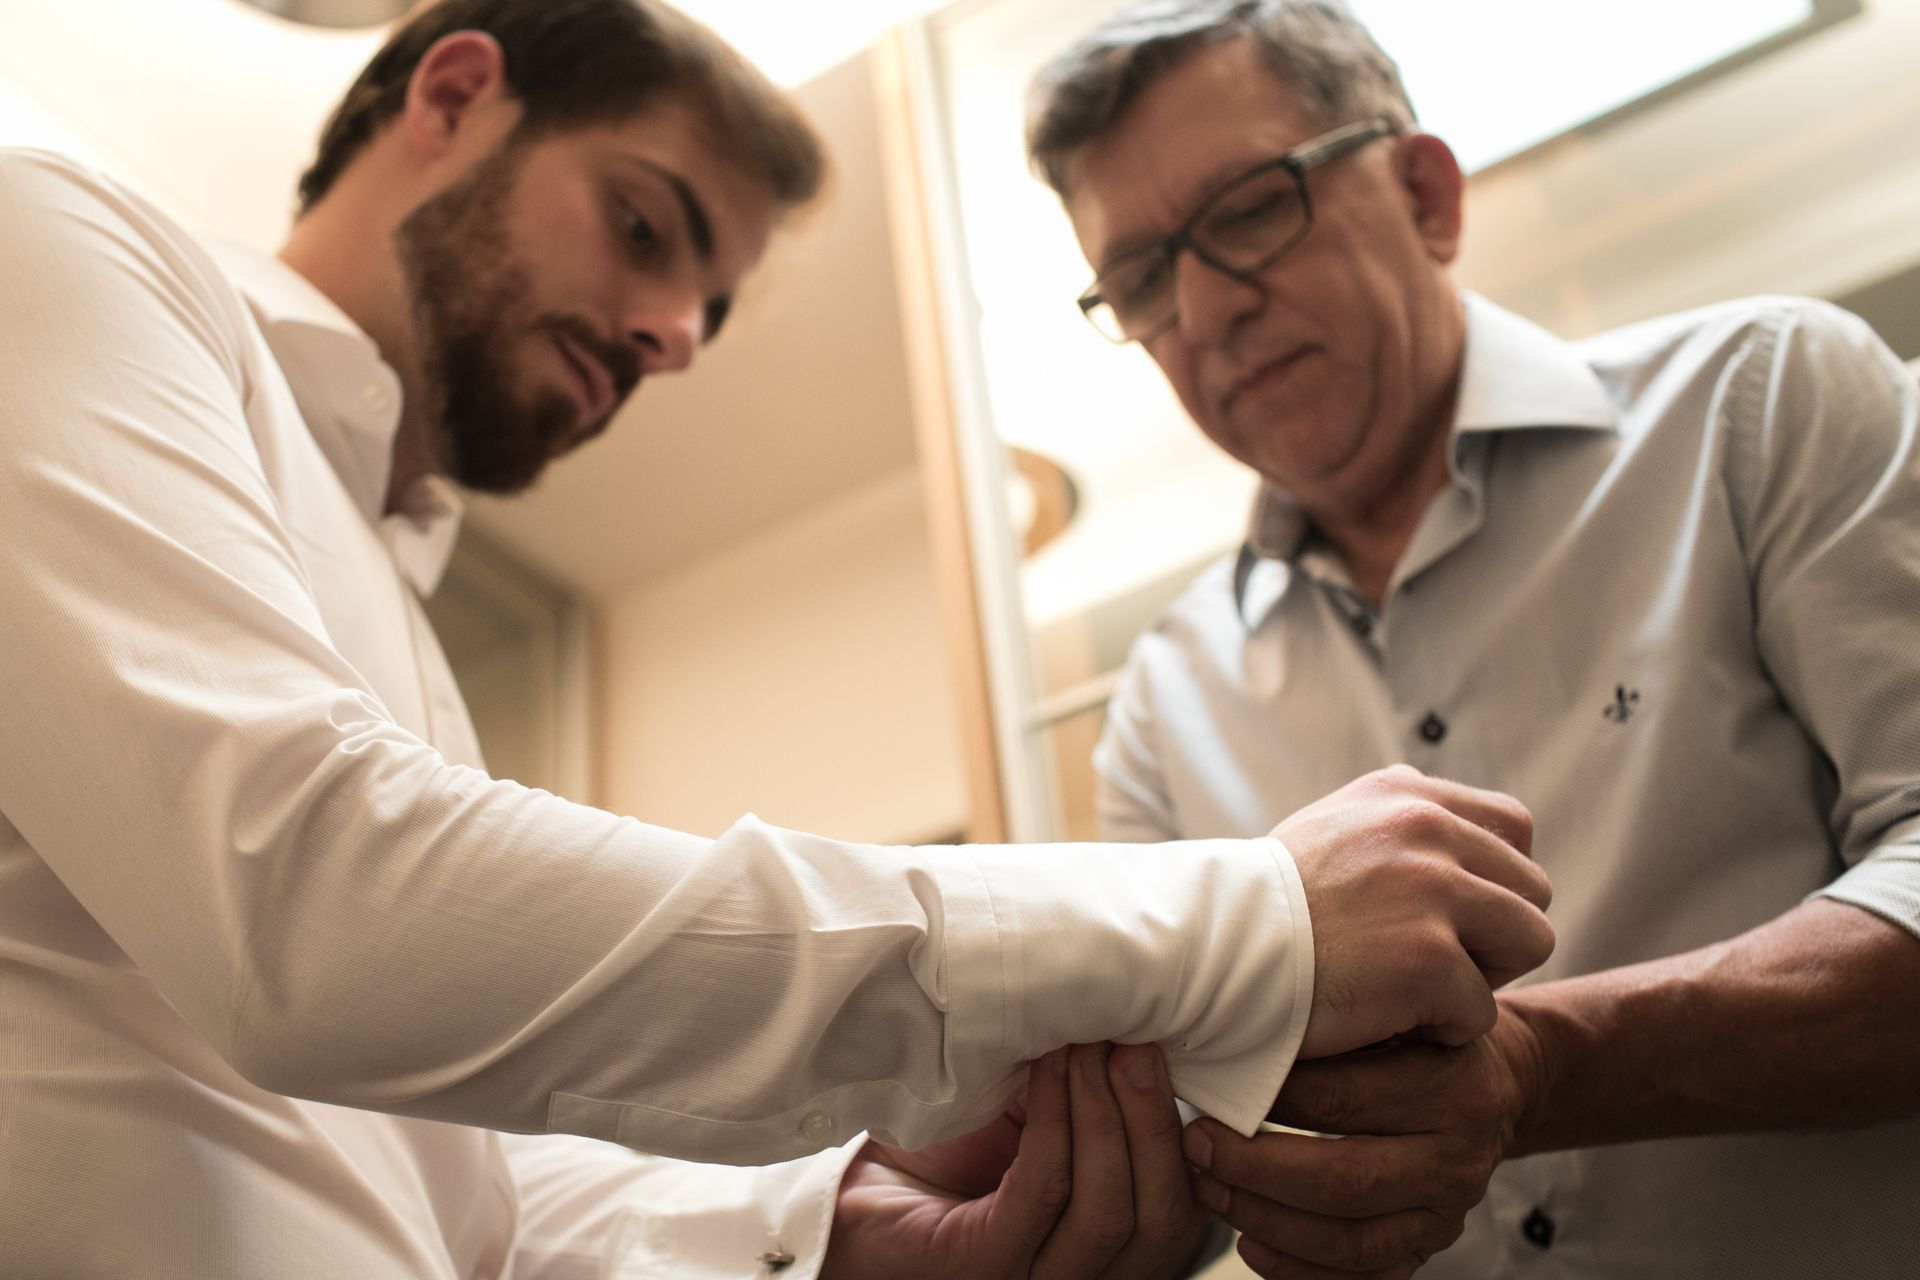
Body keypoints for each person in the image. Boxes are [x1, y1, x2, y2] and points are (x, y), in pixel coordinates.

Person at [0, 1, 1556, 1276]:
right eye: (645, 223)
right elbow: (317, 909)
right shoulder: (51, 237)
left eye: (710, 310)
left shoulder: (390, 626)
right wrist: (1235, 920)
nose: (674, 336)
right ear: (455, 91)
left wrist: (839, 1231)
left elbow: (471, 1207)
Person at [1024, 0, 1920, 1275]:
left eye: (1249, 209)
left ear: (1427, 197)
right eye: (1143, 277)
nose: (1207, 307)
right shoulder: (1166, 704)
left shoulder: (1758, 402)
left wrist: (1548, 1066)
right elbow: (1182, 1137)